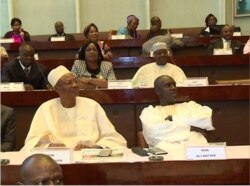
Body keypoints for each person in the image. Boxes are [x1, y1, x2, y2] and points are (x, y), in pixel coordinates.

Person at [21, 65, 127, 151]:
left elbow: (112, 137)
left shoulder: (92, 105)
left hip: (89, 156)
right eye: (69, 83)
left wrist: (94, 147)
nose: (75, 85)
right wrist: (50, 147)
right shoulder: (46, 109)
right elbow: (32, 142)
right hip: (57, 159)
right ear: (56, 88)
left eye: (75, 81)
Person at [140, 75, 215, 149]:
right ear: (158, 91)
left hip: (195, 151)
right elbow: (155, 132)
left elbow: (206, 120)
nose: (173, 88)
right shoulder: (149, 112)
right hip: (166, 153)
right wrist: (191, 127)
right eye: (168, 85)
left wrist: (174, 119)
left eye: (174, 85)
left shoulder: (191, 106)